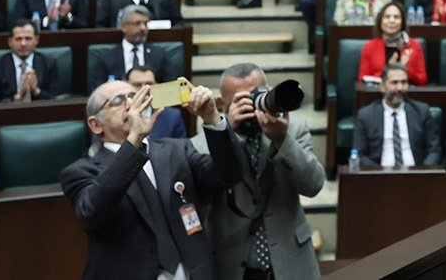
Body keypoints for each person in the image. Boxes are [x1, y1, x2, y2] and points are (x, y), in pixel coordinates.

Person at [61, 78, 239, 280]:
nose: (131, 104)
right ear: (95, 125)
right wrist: (134, 140)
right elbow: (92, 212)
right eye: (118, 100)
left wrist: (213, 120)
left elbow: (229, 174)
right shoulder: (80, 172)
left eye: (134, 96)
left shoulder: (177, 149)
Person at [207, 63, 325, 280]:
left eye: (257, 95)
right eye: (242, 101)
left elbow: (313, 184)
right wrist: (226, 135)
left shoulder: (293, 128)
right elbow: (203, 190)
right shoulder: (208, 140)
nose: (252, 105)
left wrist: (282, 140)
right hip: (233, 265)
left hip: (290, 263)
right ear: (222, 103)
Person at [352, 63, 442, 168]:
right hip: (380, 176)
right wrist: (379, 174)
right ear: (382, 87)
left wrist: (422, 172)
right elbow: (360, 155)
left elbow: (434, 150)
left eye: (404, 82)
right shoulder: (366, 115)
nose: (400, 88)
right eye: (394, 83)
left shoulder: (422, 111)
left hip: (416, 174)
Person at [88, 5, 176, 89]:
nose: (143, 28)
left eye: (145, 23)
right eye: (137, 23)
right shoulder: (107, 57)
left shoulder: (159, 54)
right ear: (123, 27)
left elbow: (171, 86)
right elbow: (97, 90)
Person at [0, 21, 61, 102]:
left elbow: (55, 101)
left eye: (28, 38)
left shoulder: (48, 63)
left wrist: (36, 91)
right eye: (18, 39)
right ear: (10, 42)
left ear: (36, 40)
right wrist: (17, 98)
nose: (23, 44)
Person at [356, 2, 428, 85]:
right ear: (380, 21)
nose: (392, 20)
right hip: (378, 94)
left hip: (407, 94)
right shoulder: (369, 47)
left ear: (402, 22)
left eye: (396, 17)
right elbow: (362, 80)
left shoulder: (414, 46)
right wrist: (388, 69)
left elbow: (423, 81)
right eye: (387, 17)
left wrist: (405, 69)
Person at [127, 65, 187, 140]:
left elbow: (181, 148)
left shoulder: (172, 117)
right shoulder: (119, 115)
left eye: (149, 84)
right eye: (137, 85)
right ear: (126, 86)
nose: (144, 88)